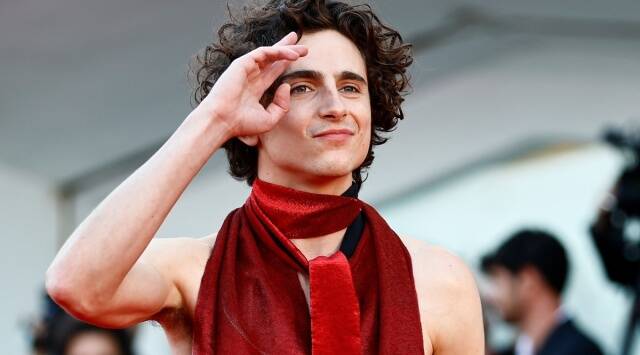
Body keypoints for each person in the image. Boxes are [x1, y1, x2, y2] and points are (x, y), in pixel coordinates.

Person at [45, 0, 483, 353]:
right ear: (251, 114)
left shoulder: (439, 278)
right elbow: (76, 284)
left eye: (351, 87)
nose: (336, 106)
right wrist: (214, 120)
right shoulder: (195, 269)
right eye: (303, 87)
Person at [481, 229, 603, 355]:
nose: (489, 296)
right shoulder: (518, 348)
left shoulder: (581, 351)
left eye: (497, 279)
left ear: (528, 281)